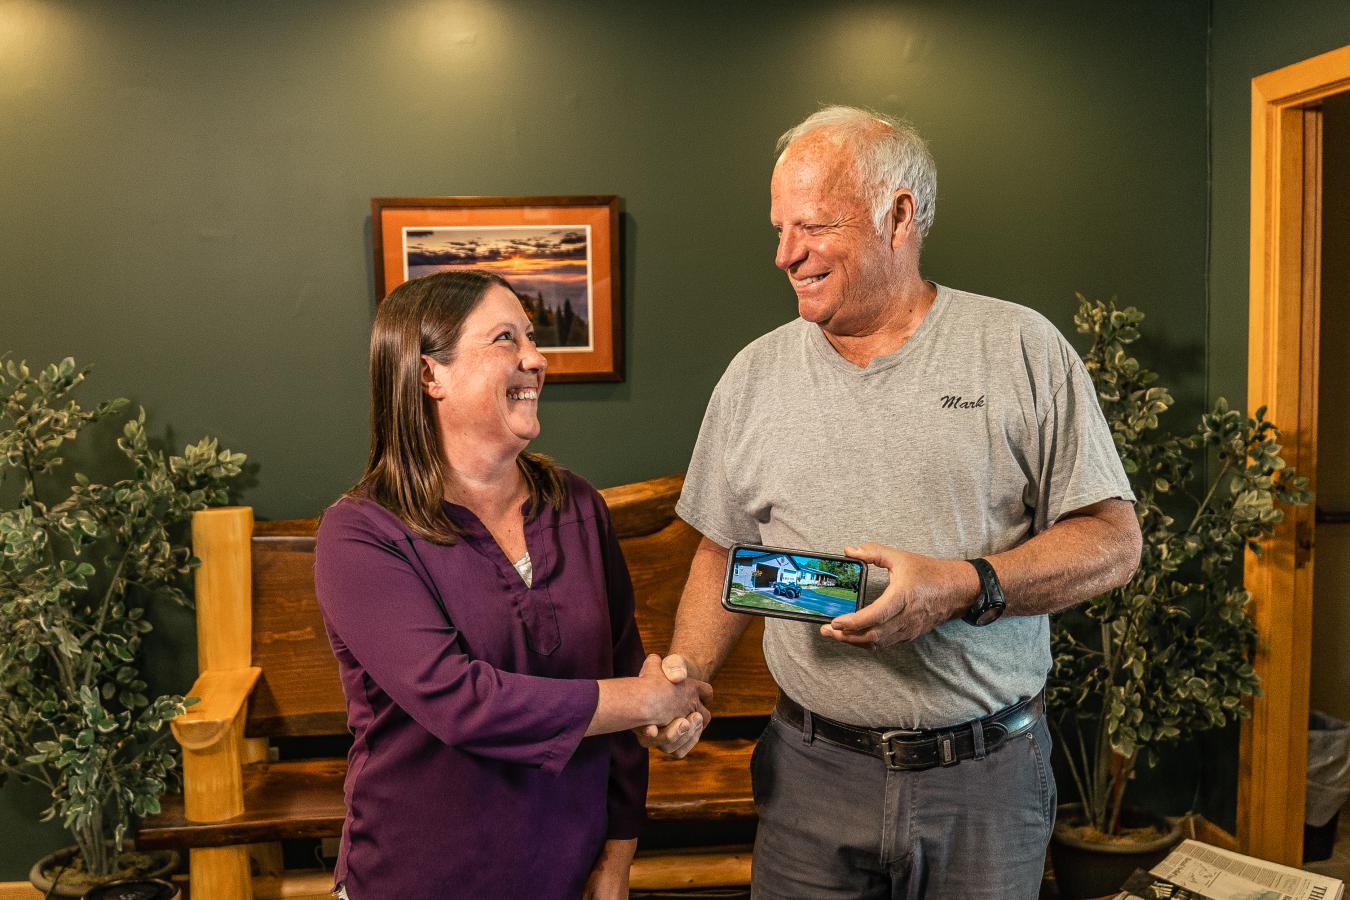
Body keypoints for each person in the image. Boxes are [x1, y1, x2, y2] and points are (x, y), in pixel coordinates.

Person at [645, 106, 1143, 898]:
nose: (785, 255)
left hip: (984, 781)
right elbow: (725, 551)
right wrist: (690, 678)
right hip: (810, 775)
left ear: (899, 213)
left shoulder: (1019, 349)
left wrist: (957, 585)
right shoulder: (754, 376)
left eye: (811, 226)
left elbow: (1114, 542)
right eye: (779, 229)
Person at [314, 270, 711, 900]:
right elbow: (460, 702)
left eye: (531, 336)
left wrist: (618, 853)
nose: (536, 358)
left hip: (568, 875)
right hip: (417, 880)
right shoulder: (361, 533)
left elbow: (627, 670)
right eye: (506, 339)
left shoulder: (577, 505)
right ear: (428, 376)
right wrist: (648, 703)